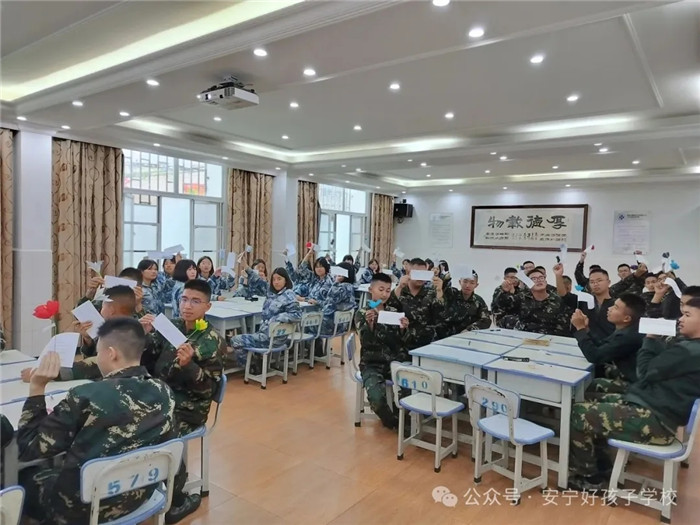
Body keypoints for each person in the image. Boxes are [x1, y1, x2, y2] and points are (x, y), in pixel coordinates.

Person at [17, 318, 176, 524]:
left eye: (98, 352)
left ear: (111, 353)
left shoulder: (85, 396)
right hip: (140, 493)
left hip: (83, 506)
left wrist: (37, 389)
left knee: (22, 476)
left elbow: (30, 448)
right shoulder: (164, 392)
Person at [568, 297, 700, 492]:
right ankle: (602, 465)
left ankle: (590, 479)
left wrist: (650, 339)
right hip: (652, 406)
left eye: (687, 315)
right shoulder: (687, 346)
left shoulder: (688, 351)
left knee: (579, 413)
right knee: (589, 397)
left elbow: (644, 373)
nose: (680, 319)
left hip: (657, 420)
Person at [141, 279, 225, 522]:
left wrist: (189, 366)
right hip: (160, 397)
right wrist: (145, 335)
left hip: (189, 407)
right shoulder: (173, 327)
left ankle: (175, 502)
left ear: (207, 307)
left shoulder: (212, 340)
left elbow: (207, 390)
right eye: (184, 299)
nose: (187, 306)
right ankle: (141, 487)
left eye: (195, 301)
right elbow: (149, 357)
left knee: (162, 431)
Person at [21, 286, 140, 382]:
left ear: (111, 310)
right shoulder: (118, 327)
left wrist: (41, 373)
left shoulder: (127, 334)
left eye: (103, 306)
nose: (100, 310)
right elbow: (96, 358)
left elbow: (93, 366)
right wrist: (87, 340)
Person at [355, 273, 412, 430]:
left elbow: (402, 341)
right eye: (381, 289)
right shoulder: (362, 313)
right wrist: (370, 325)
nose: (384, 294)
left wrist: (403, 329)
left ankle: (405, 419)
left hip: (394, 362)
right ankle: (392, 422)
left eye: (388, 290)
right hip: (372, 364)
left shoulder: (393, 311)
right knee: (377, 399)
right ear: (371, 290)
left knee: (410, 392)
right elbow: (365, 342)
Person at [571, 293, 645, 395]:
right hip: (628, 372)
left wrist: (580, 328)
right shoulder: (628, 329)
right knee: (597, 371)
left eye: (615, 307)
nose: (609, 309)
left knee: (592, 385)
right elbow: (603, 346)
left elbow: (594, 356)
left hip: (635, 385)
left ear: (626, 318)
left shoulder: (628, 336)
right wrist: (586, 330)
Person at [229, 268, 302, 368]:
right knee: (248, 333)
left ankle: (250, 367)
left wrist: (278, 318)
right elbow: (259, 282)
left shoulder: (289, 295)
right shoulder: (272, 294)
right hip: (265, 334)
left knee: (235, 340)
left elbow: (297, 315)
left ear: (286, 280)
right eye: (274, 279)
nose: (276, 282)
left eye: (279, 279)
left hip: (273, 338)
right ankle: (256, 362)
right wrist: (247, 268)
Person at [493, 267, 570, 336]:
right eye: (534, 279)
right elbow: (503, 304)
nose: (538, 280)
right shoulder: (523, 298)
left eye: (541, 278)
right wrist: (504, 291)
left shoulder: (557, 300)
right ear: (528, 284)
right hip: (526, 337)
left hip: (550, 338)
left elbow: (563, 327)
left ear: (546, 281)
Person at [387, 258, 444, 349]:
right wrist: (400, 287)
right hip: (402, 344)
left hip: (426, 343)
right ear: (408, 273)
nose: (420, 277)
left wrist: (439, 291)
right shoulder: (400, 291)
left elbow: (440, 316)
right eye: (417, 273)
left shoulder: (431, 292)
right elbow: (389, 308)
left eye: (424, 274)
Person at [556, 265, 615, 342]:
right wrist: (558, 275)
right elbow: (563, 294)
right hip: (585, 342)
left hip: (609, 343)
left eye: (599, 280)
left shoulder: (617, 304)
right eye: (592, 282)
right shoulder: (584, 300)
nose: (595, 284)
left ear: (608, 282)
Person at [438, 271, 491, 338]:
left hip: (468, 336)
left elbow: (486, 320)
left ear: (476, 285)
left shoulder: (478, 301)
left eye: (472, 283)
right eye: (465, 281)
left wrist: (469, 329)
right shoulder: (452, 294)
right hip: (447, 335)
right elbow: (442, 286)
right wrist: (449, 275)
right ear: (460, 282)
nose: (467, 285)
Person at [319, 262, 357, 336]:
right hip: (342, 324)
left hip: (331, 325)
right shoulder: (349, 286)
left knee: (304, 325)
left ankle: (313, 343)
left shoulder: (341, 287)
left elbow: (329, 299)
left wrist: (336, 282)